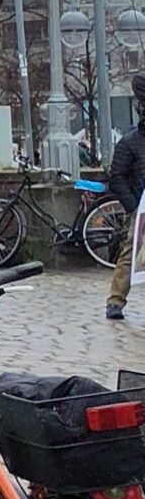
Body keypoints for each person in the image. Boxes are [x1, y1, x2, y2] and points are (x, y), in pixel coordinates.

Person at [107, 73, 143, 323]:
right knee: (132, 252)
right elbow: (117, 177)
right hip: (142, 206)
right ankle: (116, 300)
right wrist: (133, 207)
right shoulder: (129, 143)